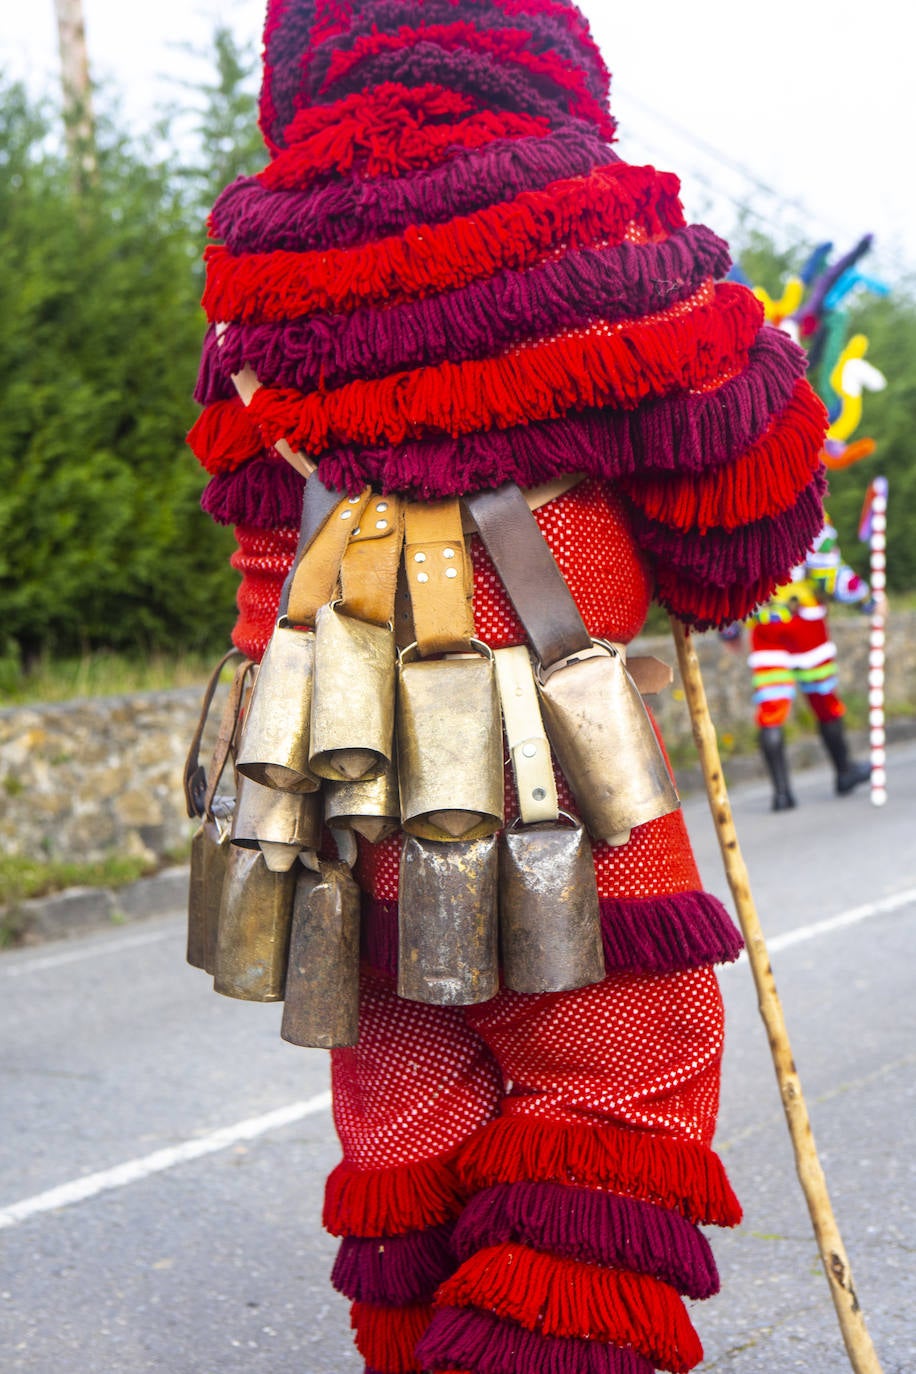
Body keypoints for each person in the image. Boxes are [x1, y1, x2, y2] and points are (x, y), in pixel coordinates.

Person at [187, 2, 829, 1370]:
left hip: (325, 788)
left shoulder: (246, 263)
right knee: (621, 1095)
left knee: (407, 1124)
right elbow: (737, 539)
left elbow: (253, 515)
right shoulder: (599, 225)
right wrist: (747, 349)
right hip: (555, 802)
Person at [745, 519, 873, 811]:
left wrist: (728, 627)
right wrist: (866, 599)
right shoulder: (809, 515)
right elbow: (829, 576)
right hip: (805, 622)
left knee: (771, 708)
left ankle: (782, 793)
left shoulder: (748, 515)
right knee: (824, 699)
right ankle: (844, 772)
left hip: (766, 624)